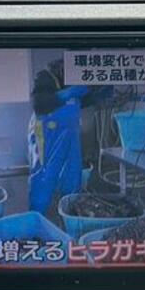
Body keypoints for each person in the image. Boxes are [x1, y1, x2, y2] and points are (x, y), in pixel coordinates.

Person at [28, 59, 106, 214]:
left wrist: (98, 96)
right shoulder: (44, 77)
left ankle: (69, 214)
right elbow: (39, 103)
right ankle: (37, 215)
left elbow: (80, 101)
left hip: (70, 134)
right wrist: (66, 94)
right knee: (45, 174)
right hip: (47, 134)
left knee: (72, 173)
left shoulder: (75, 81)